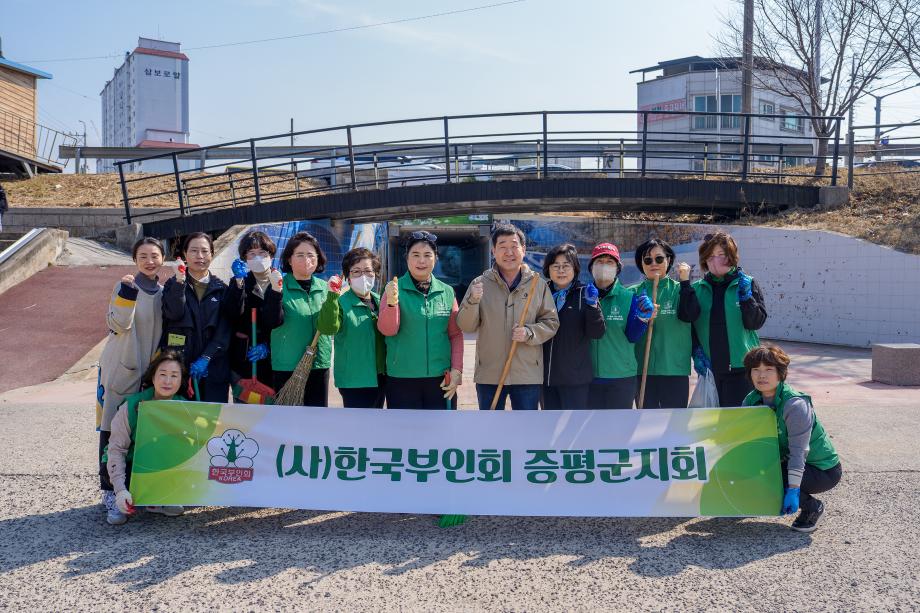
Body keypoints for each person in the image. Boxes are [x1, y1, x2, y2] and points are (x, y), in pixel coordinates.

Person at [457, 223, 559, 411]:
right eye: (502, 247)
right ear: (493, 251)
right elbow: (466, 326)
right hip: (489, 374)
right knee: (490, 426)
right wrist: (473, 301)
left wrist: (529, 333)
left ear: (524, 250)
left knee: (525, 426)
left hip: (527, 374)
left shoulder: (538, 284)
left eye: (514, 246)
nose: (509, 252)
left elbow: (551, 322)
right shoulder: (480, 283)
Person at [97, 237, 166, 509]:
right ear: (134, 260)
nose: (150, 261)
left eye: (155, 256)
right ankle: (109, 490)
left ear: (163, 258)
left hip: (148, 374)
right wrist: (127, 293)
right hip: (121, 370)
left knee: (142, 432)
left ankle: (138, 489)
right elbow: (118, 324)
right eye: (143, 256)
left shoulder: (163, 292)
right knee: (112, 432)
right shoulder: (125, 286)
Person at [742, 345, 841, 533]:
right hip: (784, 461)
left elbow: (799, 452)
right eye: (756, 369)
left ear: (780, 373)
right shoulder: (750, 401)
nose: (761, 375)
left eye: (768, 369)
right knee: (751, 470)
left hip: (821, 469)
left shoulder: (795, 405)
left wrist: (793, 489)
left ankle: (812, 507)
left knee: (772, 478)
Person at [378, 231, 464, 410]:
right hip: (401, 379)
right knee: (404, 427)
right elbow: (388, 330)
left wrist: (457, 370)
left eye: (427, 255)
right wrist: (392, 304)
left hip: (440, 379)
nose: (421, 261)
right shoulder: (394, 289)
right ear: (407, 259)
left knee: (441, 426)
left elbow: (455, 335)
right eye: (415, 255)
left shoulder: (447, 291)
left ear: (436, 259)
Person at [103, 350, 189, 525]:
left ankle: (157, 499)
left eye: (174, 376)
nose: (167, 381)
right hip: (130, 462)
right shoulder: (132, 405)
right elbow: (116, 449)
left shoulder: (186, 409)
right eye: (162, 374)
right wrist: (120, 489)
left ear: (181, 380)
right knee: (114, 471)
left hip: (158, 463)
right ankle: (112, 495)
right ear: (153, 377)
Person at [691, 231, 768, 407]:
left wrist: (747, 298)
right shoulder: (697, 290)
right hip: (711, 370)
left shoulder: (747, 283)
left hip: (742, 369)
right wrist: (696, 351)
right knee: (712, 421)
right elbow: (690, 326)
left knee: (739, 420)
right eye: (710, 256)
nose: (716, 261)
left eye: (721, 254)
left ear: (732, 256)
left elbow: (756, 322)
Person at [161, 232, 231, 402]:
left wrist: (207, 357)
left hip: (213, 368)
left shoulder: (221, 289)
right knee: (181, 417)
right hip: (180, 369)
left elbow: (224, 329)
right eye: (193, 251)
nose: (200, 256)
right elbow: (174, 313)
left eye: (205, 251)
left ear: (212, 254)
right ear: (185, 254)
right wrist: (180, 282)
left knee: (212, 417)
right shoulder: (173, 285)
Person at [631, 238, 700, 409]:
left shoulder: (681, 290)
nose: (653, 263)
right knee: (646, 421)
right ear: (641, 263)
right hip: (642, 370)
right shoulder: (632, 293)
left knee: (675, 422)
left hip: (674, 370)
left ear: (668, 260)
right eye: (648, 260)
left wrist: (685, 283)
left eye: (659, 258)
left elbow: (691, 314)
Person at [587, 243, 655, 409]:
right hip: (588, 377)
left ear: (617, 268)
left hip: (621, 377)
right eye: (599, 261)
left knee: (619, 424)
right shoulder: (583, 295)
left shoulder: (628, 297)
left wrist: (642, 318)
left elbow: (633, 336)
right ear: (591, 267)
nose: (604, 266)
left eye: (610, 262)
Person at [317, 247, 387, 408]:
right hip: (354, 380)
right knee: (357, 422)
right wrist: (332, 296)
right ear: (348, 277)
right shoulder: (340, 302)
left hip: (380, 376)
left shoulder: (381, 301)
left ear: (375, 274)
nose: (363, 276)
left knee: (377, 420)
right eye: (356, 271)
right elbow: (328, 328)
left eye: (368, 271)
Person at [271, 232, 333, 407]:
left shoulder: (326, 288)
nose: (306, 260)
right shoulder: (279, 287)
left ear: (318, 259)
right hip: (288, 364)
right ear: (289, 260)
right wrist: (275, 293)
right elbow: (271, 320)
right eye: (300, 255)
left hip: (318, 364)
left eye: (311, 255)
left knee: (317, 418)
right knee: (288, 419)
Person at [540, 243, 605, 410]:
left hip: (575, 380)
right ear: (548, 269)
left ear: (575, 268)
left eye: (566, 266)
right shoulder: (541, 293)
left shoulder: (585, 293)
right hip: (545, 379)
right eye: (556, 266)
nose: (561, 270)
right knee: (548, 423)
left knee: (573, 424)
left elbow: (597, 333)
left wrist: (593, 307)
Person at [222, 230, 284, 394]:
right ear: (245, 258)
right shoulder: (240, 281)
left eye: (262, 253)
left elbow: (278, 321)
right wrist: (238, 282)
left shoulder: (280, 282)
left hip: (275, 362)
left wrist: (268, 346)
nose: (257, 258)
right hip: (244, 362)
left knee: (273, 405)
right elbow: (232, 313)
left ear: (271, 256)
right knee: (245, 407)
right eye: (252, 254)